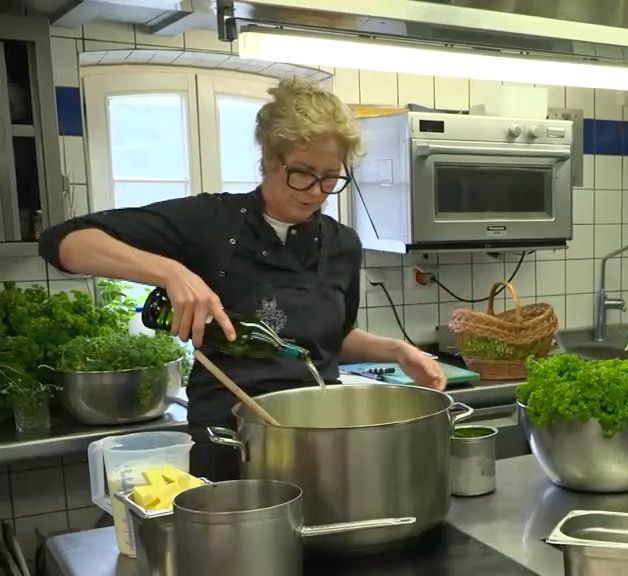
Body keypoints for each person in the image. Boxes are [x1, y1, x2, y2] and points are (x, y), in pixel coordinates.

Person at [40, 77, 445, 482]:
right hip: (228, 439)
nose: (316, 191)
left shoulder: (342, 244)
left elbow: (328, 338)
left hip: (318, 440)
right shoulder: (210, 222)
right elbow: (65, 243)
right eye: (302, 173)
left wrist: (398, 350)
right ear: (269, 158)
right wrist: (171, 271)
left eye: (329, 177)